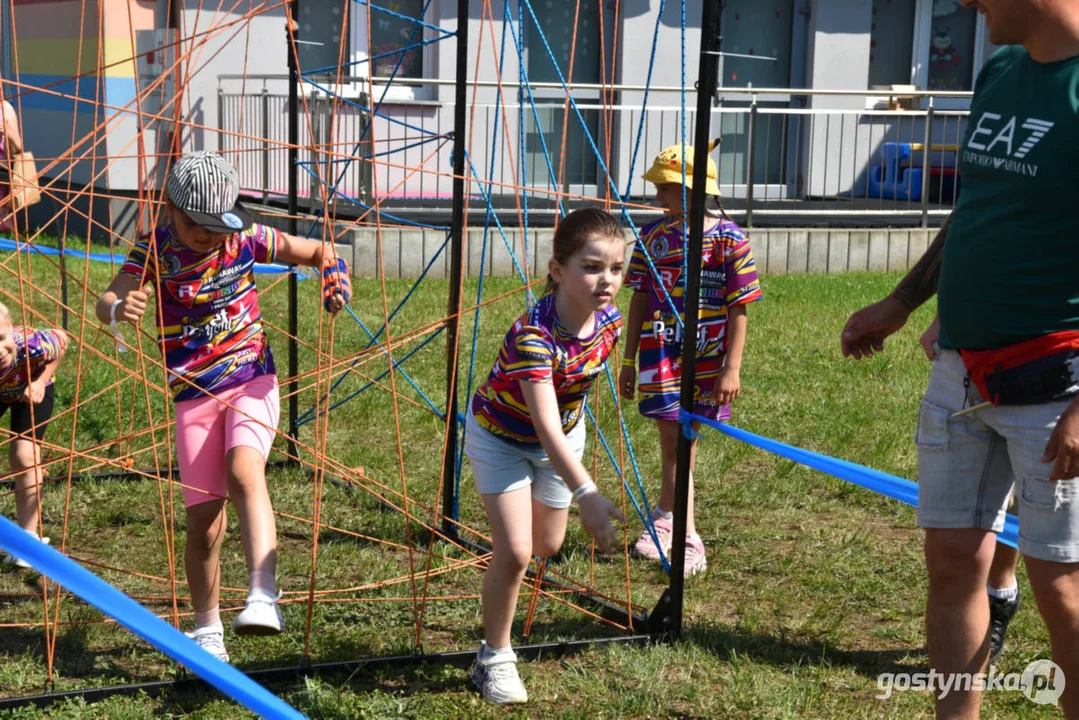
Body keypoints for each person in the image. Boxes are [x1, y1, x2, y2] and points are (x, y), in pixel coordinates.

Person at [841, 1, 1079, 715]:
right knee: (951, 567)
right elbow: (976, 205)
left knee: (1058, 585)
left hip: (1055, 386)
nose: (968, 4)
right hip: (961, 372)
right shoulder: (1001, 69)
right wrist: (902, 301)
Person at [96, 151, 350, 663]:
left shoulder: (246, 239)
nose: (207, 236)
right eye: (195, 224)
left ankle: (263, 593)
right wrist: (120, 308)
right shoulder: (154, 250)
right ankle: (207, 627)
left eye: (216, 225)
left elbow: (323, 249)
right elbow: (107, 299)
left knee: (244, 471)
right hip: (193, 395)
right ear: (169, 210)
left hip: (251, 376)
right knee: (204, 523)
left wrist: (335, 278)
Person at [466, 208, 627, 704]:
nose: (606, 280)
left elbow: (564, 418)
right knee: (514, 553)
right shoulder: (534, 337)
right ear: (557, 270)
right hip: (502, 437)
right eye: (592, 266)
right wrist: (589, 493)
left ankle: (500, 624)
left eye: (616, 269)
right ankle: (494, 658)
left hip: (563, 436)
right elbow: (543, 424)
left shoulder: (609, 323)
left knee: (546, 546)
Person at [618, 141, 762, 576]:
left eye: (665, 187)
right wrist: (628, 361)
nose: (658, 196)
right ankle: (674, 522)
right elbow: (640, 300)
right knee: (674, 441)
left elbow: (740, 308)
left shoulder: (729, 239)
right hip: (661, 354)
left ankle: (679, 526)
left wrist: (731, 367)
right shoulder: (652, 237)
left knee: (685, 442)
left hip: (707, 360)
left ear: (690, 191)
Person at [918, 315, 1023, 663]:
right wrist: (942, 315)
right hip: (970, 360)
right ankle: (985, 603)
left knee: (1056, 569)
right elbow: (978, 257)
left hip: (1056, 365)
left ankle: (1001, 592)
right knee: (958, 542)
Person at [0, 305, 67, 567]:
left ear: (11, 328)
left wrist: (39, 381)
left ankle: (27, 539)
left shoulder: (34, 344)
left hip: (30, 386)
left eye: (2, 338)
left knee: (24, 455)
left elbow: (62, 341)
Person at [0, 96, 24, 232]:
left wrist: (7, 133)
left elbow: (18, 148)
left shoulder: (5, 108)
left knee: (3, 223)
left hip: (2, 170)